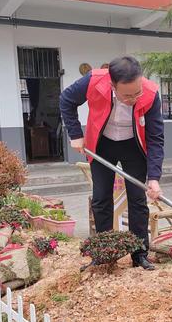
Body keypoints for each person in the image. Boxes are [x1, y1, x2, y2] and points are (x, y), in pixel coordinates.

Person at [59, 56, 164, 270]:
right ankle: (104, 254)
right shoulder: (94, 81)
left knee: (137, 200)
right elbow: (66, 100)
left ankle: (139, 254)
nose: (133, 98)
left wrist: (154, 177)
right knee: (101, 198)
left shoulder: (151, 93)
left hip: (134, 147)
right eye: (126, 95)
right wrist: (75, 134)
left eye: (137, 93)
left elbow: (155, 137)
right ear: (112, 84)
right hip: (102, 144)